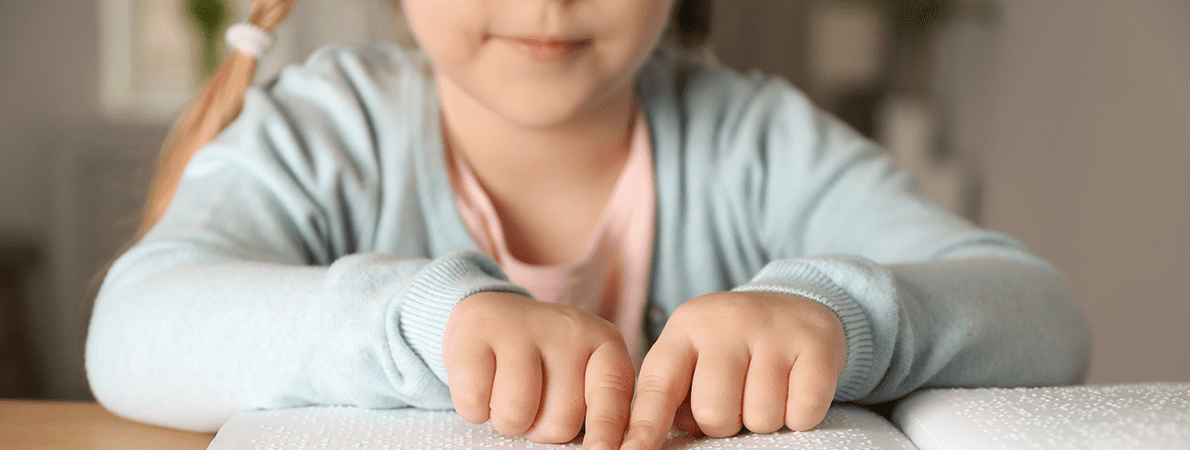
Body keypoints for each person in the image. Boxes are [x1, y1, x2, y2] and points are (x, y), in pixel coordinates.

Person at [86, 1, 1091, 450]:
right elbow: (132, 325)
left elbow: (1042, 315)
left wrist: (832, 312)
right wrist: (419, 322)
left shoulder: (753, 139)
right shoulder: (325, 131)